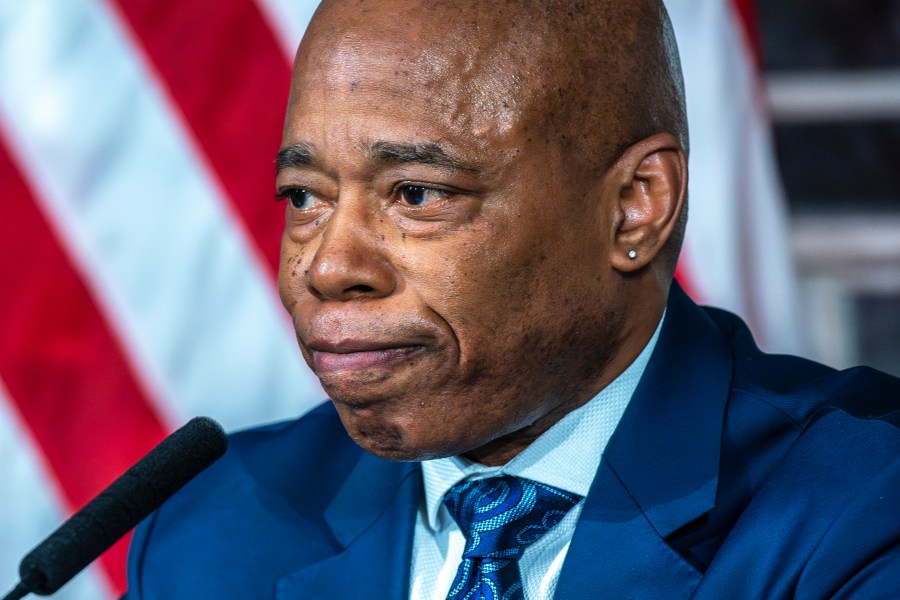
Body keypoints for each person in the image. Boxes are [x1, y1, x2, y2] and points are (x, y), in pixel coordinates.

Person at [124, 0, 900, 598]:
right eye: (303, 196)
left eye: (417, 193)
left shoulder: (864, 510)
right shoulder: (214, 528)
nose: (326, 268)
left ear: (635, 205)